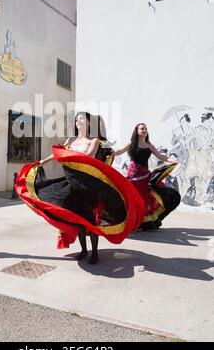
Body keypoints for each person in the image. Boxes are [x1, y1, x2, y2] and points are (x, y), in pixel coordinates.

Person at [15, 112, 144, 263]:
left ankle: (94, 253)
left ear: (89, 122)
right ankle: (83, 251)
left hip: (87, 185)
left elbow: (88, 157)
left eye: (81, 118)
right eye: (76, 119)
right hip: (71, 183)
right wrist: (43, 161)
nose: (78, 121)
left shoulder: (94, 140)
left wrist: (70, 151)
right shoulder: (71, 139)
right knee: (78, 219)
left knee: (90, 219)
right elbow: (58, 153)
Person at [113, 123, 180, 230]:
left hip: (145, 176)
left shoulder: (149, 145)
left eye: (145, 129)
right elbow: (120, 151)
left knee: (145, 198)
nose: (144, 130)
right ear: (137, 131)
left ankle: (143, 222)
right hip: (133, 175)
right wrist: (111, 152)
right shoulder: (132, 144)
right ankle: (131, 220)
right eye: (142, 129)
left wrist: (170, 160)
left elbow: (160, 156)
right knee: (132, 197)